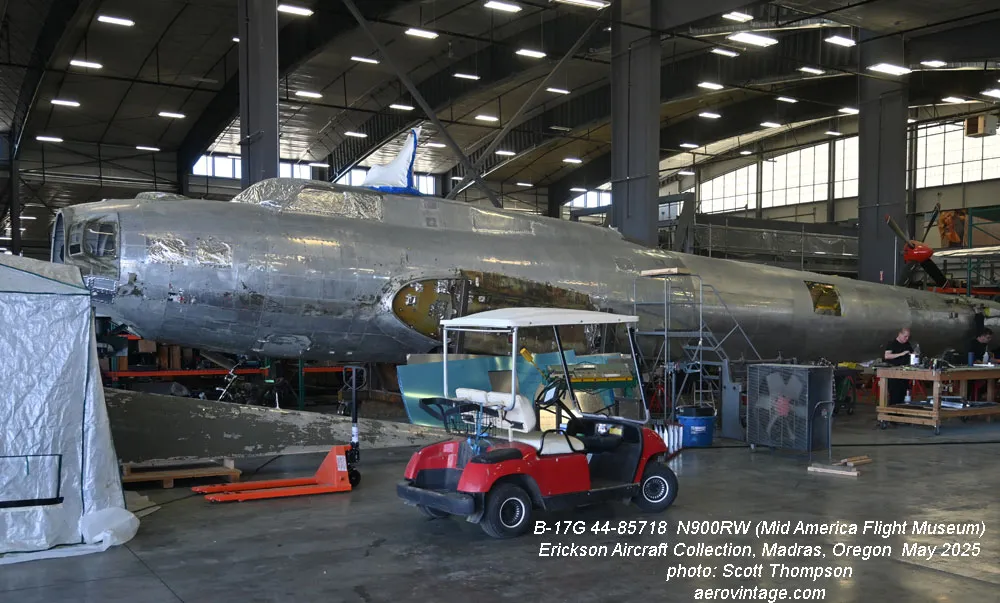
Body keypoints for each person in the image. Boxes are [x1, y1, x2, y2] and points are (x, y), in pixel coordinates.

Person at [884, 327, 914, 405]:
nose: (907, 338)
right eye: (905, 336)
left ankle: (901, 412)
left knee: (903, 394)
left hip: (904, 373)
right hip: (894, 374)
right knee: (895, 395)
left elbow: (912, 353)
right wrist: (901, 354)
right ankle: (892, 414)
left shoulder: (907, 344)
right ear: (900, 334)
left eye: (908, 337)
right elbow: (887, 356)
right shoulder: (892, 343)